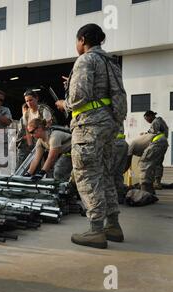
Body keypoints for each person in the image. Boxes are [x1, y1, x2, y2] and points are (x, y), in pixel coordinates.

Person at [55, 24, 126, 249]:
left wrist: (63, 103)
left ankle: (96, 230)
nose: (76, 46)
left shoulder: (85, 60)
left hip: (89, 126)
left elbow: (78, 97)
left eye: (77, 41)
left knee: (86, 174)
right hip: (109, 126)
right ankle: (113, 225)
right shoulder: (111, 63)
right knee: (105, 174)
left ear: (83, 39)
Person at [144, 110, 169, 189]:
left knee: (156, 163)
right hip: (162, 143)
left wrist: (145, 134)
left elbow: (153, 133)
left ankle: (157, 182)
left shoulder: (155, 122)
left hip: (158, 144)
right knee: (158, 163)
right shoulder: (159, 121)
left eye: (146, 118)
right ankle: (157, 182)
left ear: (150, 116)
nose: (147, 121)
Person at [113, 125, 129, 204]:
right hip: (123, 143)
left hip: (115, 143)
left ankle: (112, 198)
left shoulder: (107, 115)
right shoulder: (118, 116)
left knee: (111, 171)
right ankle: (119, 197)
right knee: (119, 173)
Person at [16, 104, 34, 169]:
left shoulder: (30, 118)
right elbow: (19, 134)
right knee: (21, 167)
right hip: (24, 147)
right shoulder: (23, 120)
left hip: (28, 147)